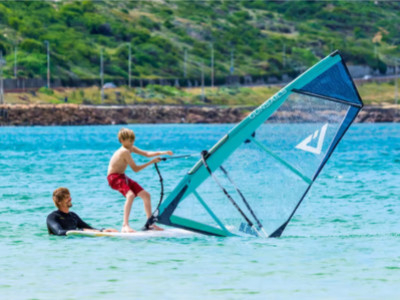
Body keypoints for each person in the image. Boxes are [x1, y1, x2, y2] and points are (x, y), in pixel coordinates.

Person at [107, 128, 173, 233]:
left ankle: (149, 224)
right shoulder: (124, 151)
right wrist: (151, 162)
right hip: (114, 178)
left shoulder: (130, 148)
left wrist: (162, 152)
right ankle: (125, 225)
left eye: (133, 139)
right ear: (122, 141)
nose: (132, 142)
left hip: (122, 176)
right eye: (129, 140)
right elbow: (135, 169)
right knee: (131, 195)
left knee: (146, 195)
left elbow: (146, 153)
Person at [47, 187, 117, 236]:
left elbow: (89, 228)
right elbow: (59, 232)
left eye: (69, 197)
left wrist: (103, 230)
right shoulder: (53, 217)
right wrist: (81, 231)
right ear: (59, 201)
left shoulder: (73, 215)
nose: (70, 199)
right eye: (66, 198)